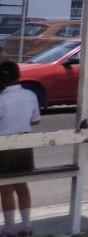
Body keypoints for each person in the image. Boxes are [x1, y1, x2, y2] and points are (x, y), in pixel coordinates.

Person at [0, 61, 38, 237]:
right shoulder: (30, 95)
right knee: (22, 185)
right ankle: (27, 225)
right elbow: (35, 121)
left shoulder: (1, 99)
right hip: (24, 146)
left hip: (3, 148)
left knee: (6, 187)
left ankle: (9, 228)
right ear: (18, 75)